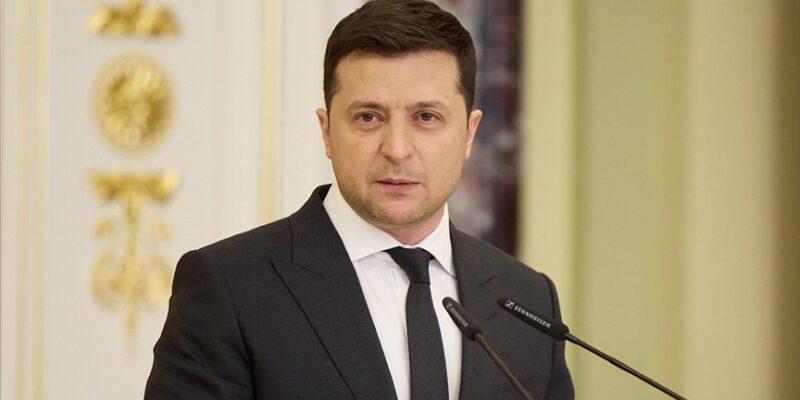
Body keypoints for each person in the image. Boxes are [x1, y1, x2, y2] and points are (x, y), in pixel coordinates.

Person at [145, 1, 574, 399]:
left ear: (468, 134)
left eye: (427, 117)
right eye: (368, 117)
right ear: (327, 132)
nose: (397, 149)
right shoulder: (229, 287)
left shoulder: (528, 299)